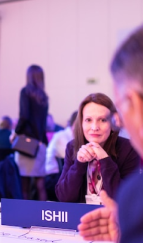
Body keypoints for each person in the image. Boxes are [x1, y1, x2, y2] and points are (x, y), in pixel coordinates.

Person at [78, 24, 143, 243]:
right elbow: (63, 193)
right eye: (88, 120)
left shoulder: (135, 193)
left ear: (133, 102)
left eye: (109, 118)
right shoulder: (75, 150)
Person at [55, 93, 140, 204]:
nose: (95, 127)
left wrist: (105, 160)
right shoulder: (72, 147)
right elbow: (64, 197)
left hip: (113, 219)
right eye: (88, 120)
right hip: (81, 218)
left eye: (103, 120)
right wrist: (79, 164)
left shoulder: (128, 149)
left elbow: (126, 200)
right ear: (81, 123)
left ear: (113, 124)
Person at [15, 64, 48, 200]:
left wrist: (16, 131)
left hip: (27, 144)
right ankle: (45, 216)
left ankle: (26, 217)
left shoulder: (25, 92)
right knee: (40, 184)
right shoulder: (43, 97)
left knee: (24, 185)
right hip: (41, 144)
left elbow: (24, 116)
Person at [44, 111, 77, 201]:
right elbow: (70, 158)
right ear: (75, 123)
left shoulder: (70, 136)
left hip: (60, 172)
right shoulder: (61, 136)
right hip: (52, 176)